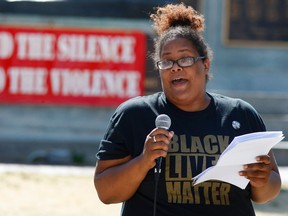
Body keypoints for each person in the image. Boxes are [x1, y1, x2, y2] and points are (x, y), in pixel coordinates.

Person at [94, 3, 281, 216]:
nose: (175, 67)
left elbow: (266, 192)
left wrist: (263, 180)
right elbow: (105, 192)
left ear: (206, 64)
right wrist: (144, 160)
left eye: (185, 58)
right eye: (166, 61)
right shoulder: (134, 114)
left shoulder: (241, 114)